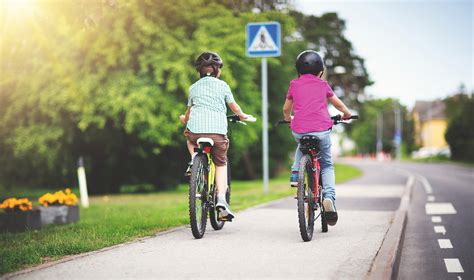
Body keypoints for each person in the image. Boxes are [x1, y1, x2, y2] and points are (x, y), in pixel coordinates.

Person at [282, 50, 352, 226]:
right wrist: (346, 113)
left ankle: (295, 173)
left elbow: (285, 109)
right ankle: (329, 197)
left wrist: (287, 119)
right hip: (321, 130)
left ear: (298, 69)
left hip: (299, 129)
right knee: (327, 165)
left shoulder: (294, 84)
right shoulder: (323, 85)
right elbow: (338, 103)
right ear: (320, 69)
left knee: (302, 143)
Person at [179, 51, 251, 221]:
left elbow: (188, 113)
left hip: (196, 133)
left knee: (189, 139)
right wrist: (242, 115)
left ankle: (193, 160)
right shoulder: (223, 86)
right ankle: (221, 201)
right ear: (218, 70)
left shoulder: (193, 87)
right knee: (221, 162)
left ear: (199, 71)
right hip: (217, 133)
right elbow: (234, 107)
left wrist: (184, 119)